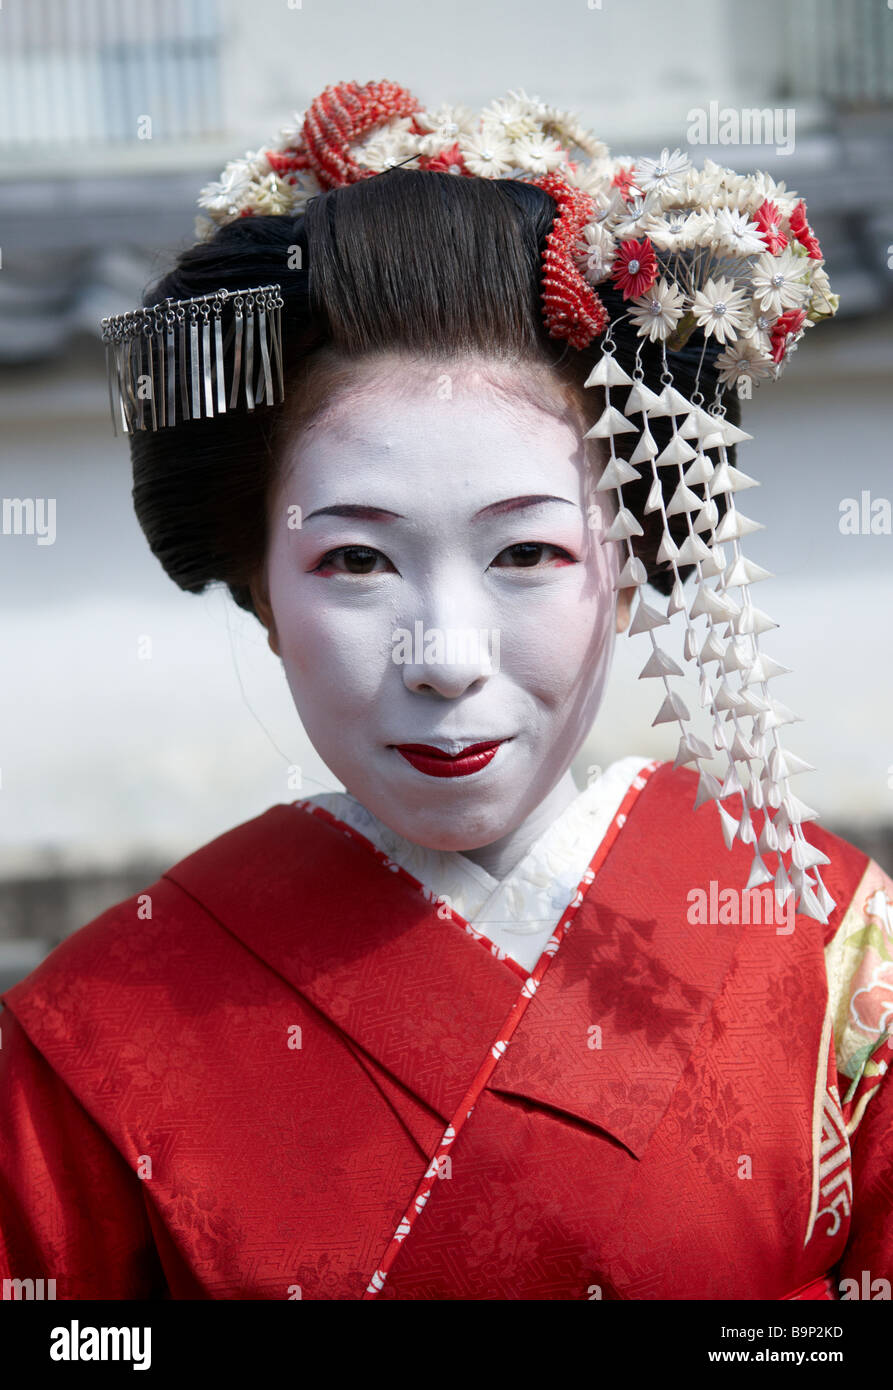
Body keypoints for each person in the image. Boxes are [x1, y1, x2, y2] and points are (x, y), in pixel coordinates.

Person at [0, 80, 889, 1301]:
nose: (445, 655)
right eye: (353, 561)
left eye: (527, 552)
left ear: (629, 565)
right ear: (260, 586)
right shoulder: (93, 1030)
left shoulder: (832, 951)